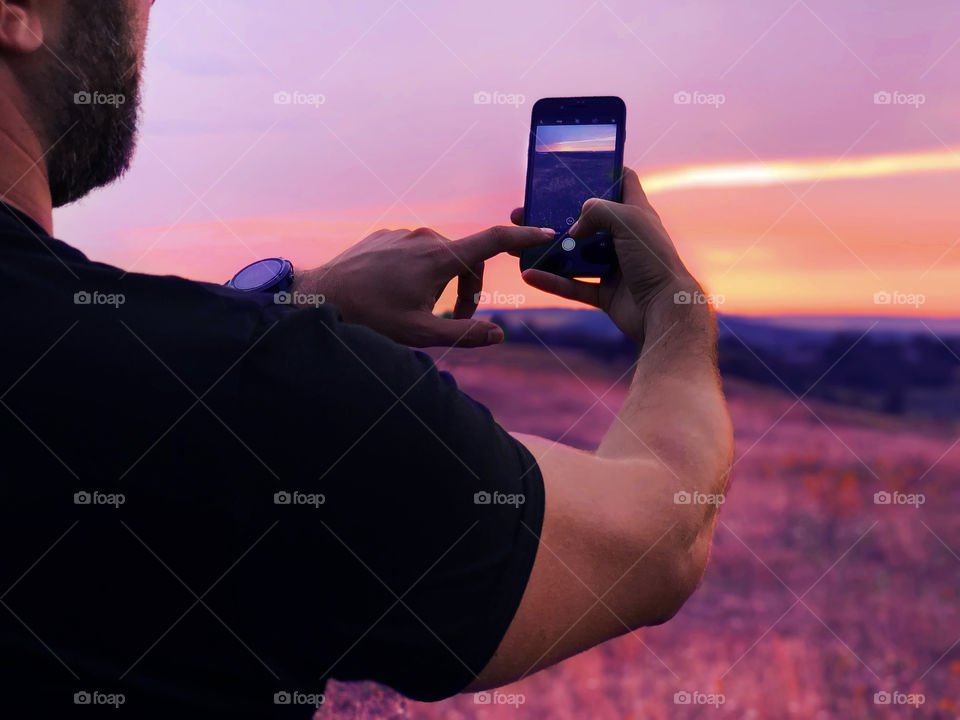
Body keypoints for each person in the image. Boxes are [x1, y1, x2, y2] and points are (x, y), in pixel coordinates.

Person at [0, 1, 732, 718]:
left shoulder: (187, 380)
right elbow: (660, 537)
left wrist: (295, 302)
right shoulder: (278, 409)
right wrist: (675, 318)